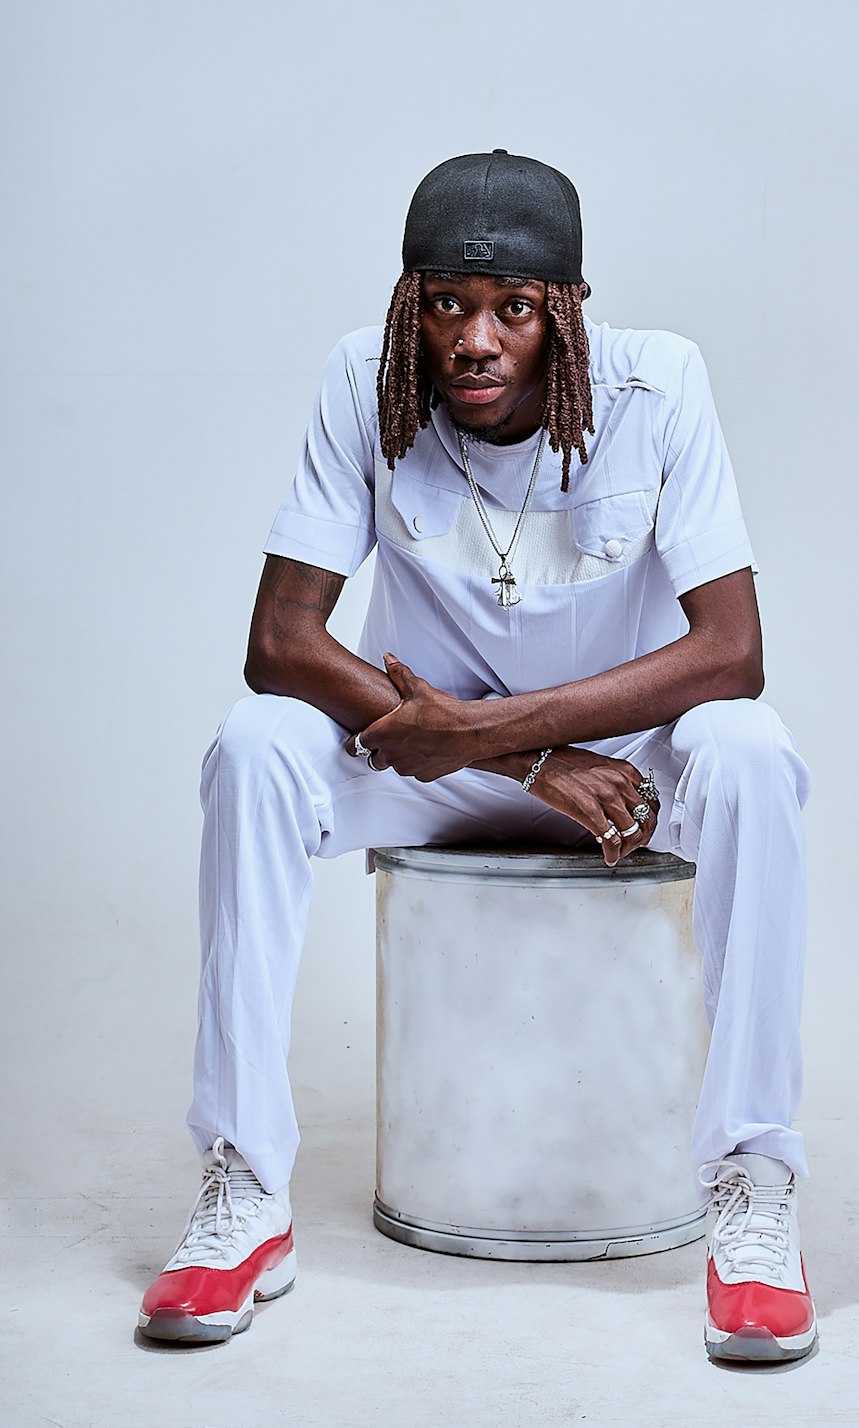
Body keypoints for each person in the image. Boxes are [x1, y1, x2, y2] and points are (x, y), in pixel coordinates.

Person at [137, 150, 816, 1363]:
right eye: (447, 303)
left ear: (565, 313)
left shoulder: (660, 387)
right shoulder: (362, 377)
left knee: (751, 751)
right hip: (430, 766)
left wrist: (516, 734)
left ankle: (754, 1186)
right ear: (411, 306)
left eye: (513, 308)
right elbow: (280, 641)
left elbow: (733, 650)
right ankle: (243, 1190)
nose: (476, 339)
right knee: (255, 746)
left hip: (621, 772)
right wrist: (522, 760)